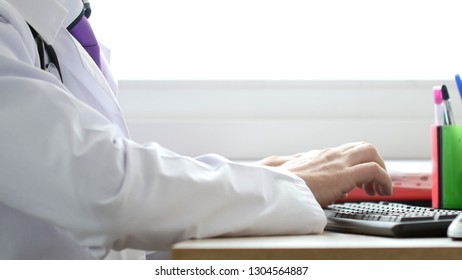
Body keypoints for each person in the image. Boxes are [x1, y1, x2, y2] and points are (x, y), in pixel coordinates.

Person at [0, 0, 392, 260]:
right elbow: (105, 190)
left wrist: (249, 185)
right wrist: (279, 187)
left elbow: (116, 227)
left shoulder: (58, 29)